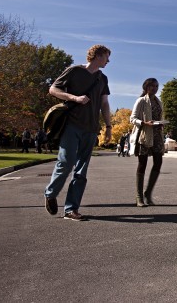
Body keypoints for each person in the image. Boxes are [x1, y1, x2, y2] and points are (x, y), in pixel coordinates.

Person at [44, 44, 112, 221]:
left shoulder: (102, 78)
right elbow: (53, 89)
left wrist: (108, 127)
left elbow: (104, 104)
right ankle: (51, 193)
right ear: (98, 55)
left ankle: (71, 209)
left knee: (81, 170)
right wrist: (74, 98)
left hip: (91, 128)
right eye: (106, 57)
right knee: (66, 162)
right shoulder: (74, 71)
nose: (108, 61)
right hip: (72, 125)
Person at [129, 78, 165, 207]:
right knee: (142, 163)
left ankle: (148, 193)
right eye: (152, 86)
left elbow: (159, 117)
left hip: (157, 135)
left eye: (156, 86)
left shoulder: (158, 102)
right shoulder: (141, 101)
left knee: (158, 162)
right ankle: (139, 197)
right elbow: (132, 118)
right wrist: (144, 123)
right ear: (146, 87)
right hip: (144, 135)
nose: (154, 88)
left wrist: (160, 123)